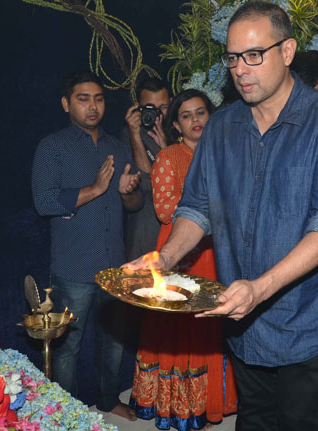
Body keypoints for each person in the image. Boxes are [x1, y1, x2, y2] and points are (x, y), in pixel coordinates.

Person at [126, 2, 318, 429]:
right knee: (253, 419)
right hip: (242, 318)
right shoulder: (221, 127)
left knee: (297, 422)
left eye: (254, 55)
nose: (240, 69)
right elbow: (197, 207)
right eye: (233, 57)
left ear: (287, 51)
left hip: (307, 320)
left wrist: (259, 288)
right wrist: (166, 257)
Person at [31, 71, 142, 421]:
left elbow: (135, 205)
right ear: (67, 104)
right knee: (67, 349)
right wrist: (95, 189)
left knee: (115, 343)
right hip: (74, 268)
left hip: (115, 266)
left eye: (98, 98)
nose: (92, 106)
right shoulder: (52, 147)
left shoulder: (117, 147)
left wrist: (127, 192)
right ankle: (67, 415)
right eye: (83, 98)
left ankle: (109, 400)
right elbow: (43, 202)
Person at [129, 89, 238, 431]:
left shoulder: (225, 153)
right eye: (186, 115)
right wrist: (214, 206)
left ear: (211, 116)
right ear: (175, 125)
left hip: (217, 251)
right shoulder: (168, 157)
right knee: (180, 327)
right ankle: (181, 409)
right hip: (181, 252)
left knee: (212, 323)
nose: (195, 120)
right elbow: (164, 211)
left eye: (201, 112)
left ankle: (209, 404)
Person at [121, 77, 172, 261]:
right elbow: (147, 184)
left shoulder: (178, 132)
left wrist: (166, 148)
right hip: (144, 237)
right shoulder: (127, 135)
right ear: (138, 107)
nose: (156, 114)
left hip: (177, 237)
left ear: (172, 103)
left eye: (163, 107)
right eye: (150, 108)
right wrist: (134, 134)